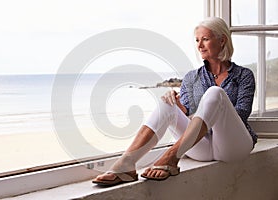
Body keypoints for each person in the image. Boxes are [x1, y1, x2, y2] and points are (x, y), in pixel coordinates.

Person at [92, 17, 257, 186]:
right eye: (197, 40)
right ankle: (126, 163)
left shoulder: (243, 75)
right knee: (166, 102)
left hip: (233, 147)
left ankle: (171, 156)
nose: (199, 45)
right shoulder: (191, 78)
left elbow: (241, 114)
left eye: (205, 39)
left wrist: (211, 110)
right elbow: (188, 112)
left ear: (222, 40)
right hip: (202, 147)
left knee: (215, 93)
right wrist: (179, 107)